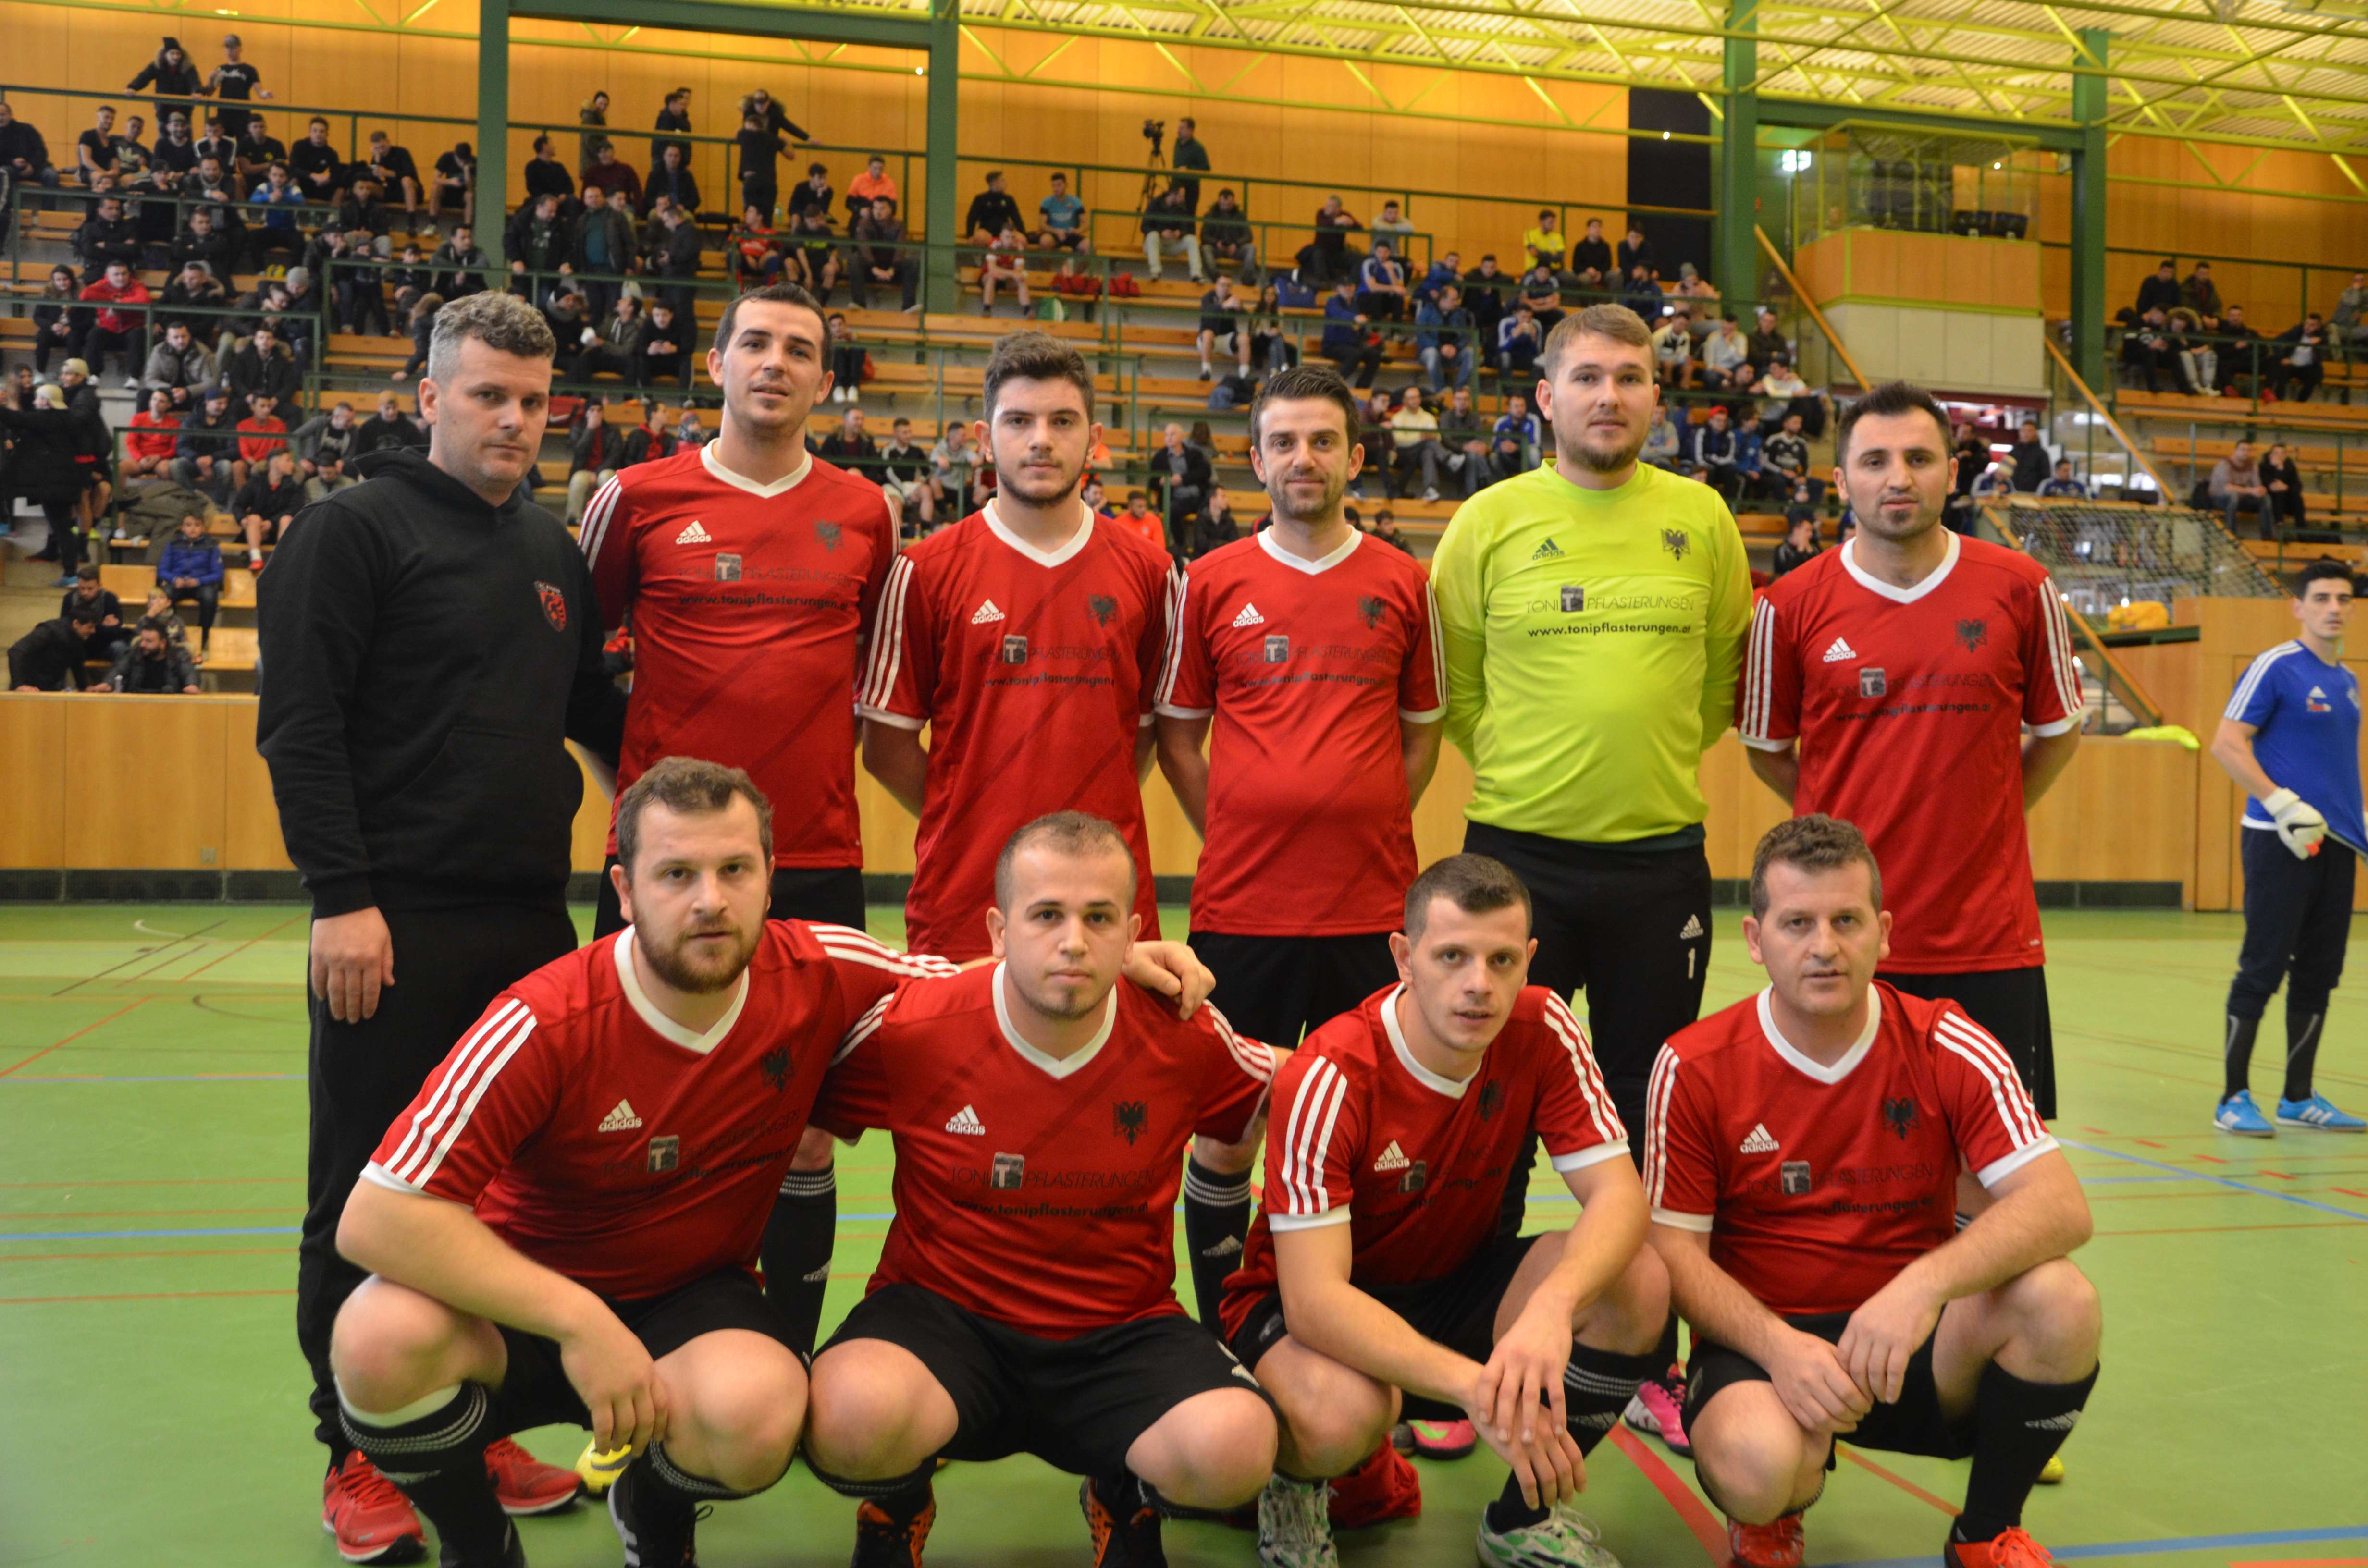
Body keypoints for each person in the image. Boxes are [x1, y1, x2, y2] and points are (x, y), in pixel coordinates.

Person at [323, 760, 967, 1568]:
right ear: (625, 891)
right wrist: (580, 1320)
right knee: (376, 1338)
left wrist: (1102, 968)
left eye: (735, 869)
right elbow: (376, 1216)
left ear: (770, 877)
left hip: (689, 1298)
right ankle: (478, 1541)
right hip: (522, 1300)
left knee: (760, 1412)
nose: (710, 899)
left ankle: (655, 1515)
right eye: (676, 874)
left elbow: (987, 995)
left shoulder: (820, 969)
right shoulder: (544, 1019)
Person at [254, 291, 629, 1562]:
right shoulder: (350, 531)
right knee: (364, 1187)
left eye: (533, 401)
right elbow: (300, 728)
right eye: (487, 395)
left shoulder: (551, 550)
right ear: (428, 397)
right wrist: (341, 897)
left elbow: (593, 712)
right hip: (393, 923)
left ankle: (471, 1423)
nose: (514, 419)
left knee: (503, 1195)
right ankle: (355, 1448)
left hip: (529, 926)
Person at [1430, 301, 1751, 1448]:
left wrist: (1635, 767)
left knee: (1647, 1111)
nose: (1608, 396)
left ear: (1657, 397)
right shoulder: (1488, 522)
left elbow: (1719, 681)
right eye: (1586, 378)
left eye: (1629, 377)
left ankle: (1649, 1358)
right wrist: (1537, 776)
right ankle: (1472, 1366)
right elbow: (1457, 686)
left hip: (1658, 863)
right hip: (1513, 861)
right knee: (1488, 1112)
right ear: (1545, 398)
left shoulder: (1703, 520)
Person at [800, 812, 1278, 1565]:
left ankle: (1122, 1493)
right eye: (1047, 915)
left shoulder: (1182, 1032)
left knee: (1236, 1450)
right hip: (942, 1319)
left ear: (1134, 933)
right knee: (846, 1417)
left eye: (1099, 918)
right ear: (998, 930)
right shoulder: (914, 1027)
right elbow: (791, 1101)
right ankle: (898, 1500)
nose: (1074, 941)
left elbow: (1299, 1082)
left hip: (1120, 1330)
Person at [577, 282, 897, 1363]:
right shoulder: (634, 497)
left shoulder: (866, 512)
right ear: (715, 362)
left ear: (823, 379)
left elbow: (874, 676)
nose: (775, 362)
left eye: (799, 349)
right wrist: (634, 807)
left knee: (803, 1129)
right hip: (667, 871)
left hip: (813, 860)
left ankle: (786, 1361)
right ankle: (626, 1356)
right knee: (632, 1113)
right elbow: (575, 670)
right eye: (754, 342)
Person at [1645, 815, 2101, 1568]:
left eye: (1847, 921)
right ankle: (1773, 1515)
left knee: (2063, 1301)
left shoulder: (1946, 1041)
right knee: (1758, 1466)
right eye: (1797, 923)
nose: (1825, 946)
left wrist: (1920, 1288)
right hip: (1765, 1346)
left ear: (1883, 933)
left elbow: (2060, 1206)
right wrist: (1778, 1349)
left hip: (1909, 1342)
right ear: (1756, 939)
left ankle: (1986, 1531)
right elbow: (1674, 1254)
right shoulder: (1695, 1065)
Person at [1226, 853, 1669, 1568]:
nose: (1479, 985)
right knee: (1342, 1417)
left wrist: (1553, 1306)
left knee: (1637, 1283)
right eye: (1452, 957)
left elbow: (1619, 1196)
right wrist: (1477, 1391)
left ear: (1528, 960)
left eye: (1501, 961)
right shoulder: (1331, 1073)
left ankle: (1521, 1520)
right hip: (1311, 1310)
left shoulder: (1543, 1025)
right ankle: (1296, 1489)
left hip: (1452, 1282)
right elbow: (1314, 1302)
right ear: (1405, 958)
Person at [1153, 362, 1445, 1328]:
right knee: (1226, 1134)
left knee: (1370, 1130)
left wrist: (1362, 817)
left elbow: (1419, 736)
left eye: (1323, 440)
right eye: (1283, 441)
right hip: (1243, 912)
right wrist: (1240, 827)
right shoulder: (1210, 580)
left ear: (1355, 458)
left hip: (1370, 910)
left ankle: (1363, 1334)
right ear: (1256, 459)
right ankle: (1226, 1335)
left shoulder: (1402, 581)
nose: (1303, 458)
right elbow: (1179, 739)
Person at [1739, 379, 2085, 1150]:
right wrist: (1841, 833)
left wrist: (1989, 812)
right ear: (1841, 480)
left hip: (1988, 939)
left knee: (1990, 1175)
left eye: (1919, 459)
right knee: (1851, 1162)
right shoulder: (1788, 606)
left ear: (1952, 472)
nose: (1898, 478)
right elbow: (1767, 750)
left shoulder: (2022, 588)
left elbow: (2058, 734)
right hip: (1842, 942)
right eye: (1875, 461)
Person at [857, 331, 1177, 961]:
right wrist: (968, 813)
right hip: (964, 897)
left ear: (1094, 438)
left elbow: (1140, 738)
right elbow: (886, 749)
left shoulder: (1152, 573)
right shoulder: (924, 572)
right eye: (1019, 421)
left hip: (1107, 899)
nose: (1041, 440)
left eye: (1063, 421)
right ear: (985, 438)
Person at [2208, 559, 2368, 1135]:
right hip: (2278, 843)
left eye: (2343, 599)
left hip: (2335, 845)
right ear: (2297, 607)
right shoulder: (2274, 667)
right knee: (2262, 966)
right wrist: (2280, 804)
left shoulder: (2347, 682)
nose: (2333, 608)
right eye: (2321, 598)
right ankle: (2232, 1098)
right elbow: (2227, 744)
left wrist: (2356, 820)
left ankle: (2297, 1099)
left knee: (2320, 971)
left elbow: (2334, 766)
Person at [157, 512, 224, 655]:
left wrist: (198, 581)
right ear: (182, 528)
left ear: (203, 528)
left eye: (197, 525)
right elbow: (162, 570)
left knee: (210, 597)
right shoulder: (173, 544)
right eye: (188, 525)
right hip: (178, 583)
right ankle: (171, 633)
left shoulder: (212, 546)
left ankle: (203, 636)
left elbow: (218, 574)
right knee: (165, 595)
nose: (193, 529)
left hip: (201, 584)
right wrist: (175, 580)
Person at [234, 447, 306, 568]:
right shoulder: (256, 482)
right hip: (257, 530)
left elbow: (295, 509)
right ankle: (256, 559)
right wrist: (242, 519)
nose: (292, 464)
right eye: (288, 460)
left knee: (286, 519)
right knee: (254, 518)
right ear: (276, 463)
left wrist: (271, 523)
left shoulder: (295, 485)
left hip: (278, 529)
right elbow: (238, 505)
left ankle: (282, 561)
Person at [9, 608, 102, 691]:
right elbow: (17, 651)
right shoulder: (49, 631)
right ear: (76, 624)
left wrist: (85, 687)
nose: (93, 631)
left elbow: (77, 664)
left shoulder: (78, 638)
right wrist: (20, 685)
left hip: (49, 687)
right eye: (90, 627)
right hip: (28, 687)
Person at [104, 616, 201, 694]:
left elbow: (189, 673)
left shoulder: (179, 655)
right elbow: (118, 670)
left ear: (163, 643)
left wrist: (192, 685)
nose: (143, 644)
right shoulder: (135, 652)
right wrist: (108, 684)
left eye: (149, 641)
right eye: (142, 640)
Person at [207, 32, 271, 141]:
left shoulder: (249, 70)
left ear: (240, 49)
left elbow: (260, 91)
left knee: (243, 142)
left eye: (233, 48)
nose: (230, 51)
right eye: (227, 48)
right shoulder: (221, 69)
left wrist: (265, 94)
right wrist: (211, 79)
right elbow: (209, 92)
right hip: (224, 113)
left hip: (242, 114)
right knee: (224, 142)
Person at [1144, 182, 1203, 284]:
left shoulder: (1182, 207)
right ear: (1173, 195)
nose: (1183, 199)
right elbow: (1144, 227)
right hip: (1155, 244)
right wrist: (1161, 233)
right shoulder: (1155, 204)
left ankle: (1197, 275)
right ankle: (1155, 272)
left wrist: (1179, 233)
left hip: (1172, 244)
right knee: (1153, 235)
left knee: (1192, 240)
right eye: (1181, 196)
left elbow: (1187, 228)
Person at [964, 168, 1025, 243]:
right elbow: (972, 218)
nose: (1005, 183)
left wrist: (1023, 234)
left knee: (1021, 239)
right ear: (994, 183)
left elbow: (1017, 219)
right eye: (1002, 180)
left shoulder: (1009, 200)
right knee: (980, 237)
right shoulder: (981, 199)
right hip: (986, 233)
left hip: (1005, 234)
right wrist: (970, 235)